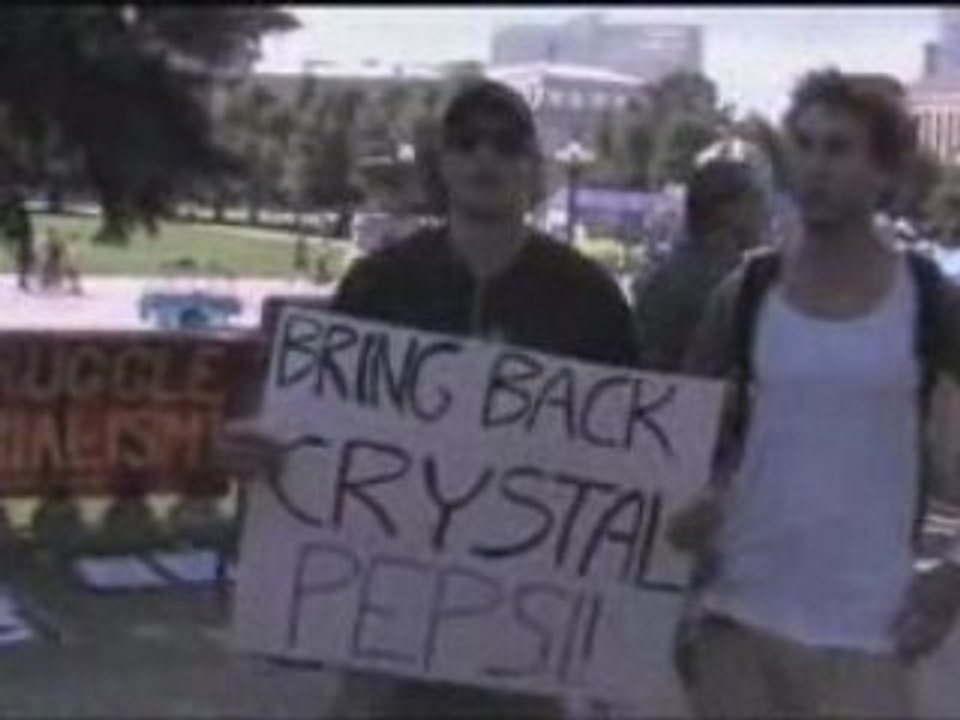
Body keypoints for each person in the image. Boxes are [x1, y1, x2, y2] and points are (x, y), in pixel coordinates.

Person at [217, 79, 641, 719]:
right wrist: (265, 451)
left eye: (505, 143)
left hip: (525, 632)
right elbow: (316, 430)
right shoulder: (380, 283)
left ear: (532, 163)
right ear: (442, 164)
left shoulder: (589, 296)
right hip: (385, 630)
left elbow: (633, 457)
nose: (484, 158)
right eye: (465, 142)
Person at [669, 69, 960, 718]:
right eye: (804, 145)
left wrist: (952, 575)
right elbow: (675, 435)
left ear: (883, 171)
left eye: (839, 148)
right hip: (736, 626)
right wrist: (692, 512)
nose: (817, 166)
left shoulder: (928, 301)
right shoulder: (745, 293)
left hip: (867, 639)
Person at [632, 158, 767, 372]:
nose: (765, 213)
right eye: (756, 200)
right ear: (727, 209)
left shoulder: (665, 273)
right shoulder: (728, 286)